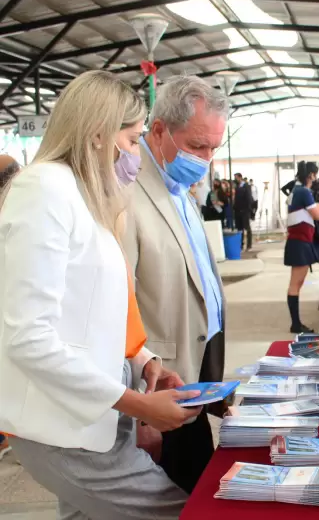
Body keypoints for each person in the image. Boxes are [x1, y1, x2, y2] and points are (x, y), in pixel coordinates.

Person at [0, 70, 200, 519]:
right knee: (180, 512)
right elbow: (29, 337)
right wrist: (137, 404)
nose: (136, 154)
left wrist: (142, 360)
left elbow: (93, 309)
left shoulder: (82, 195)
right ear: (97, 134)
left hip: (95, 414)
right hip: (63, 425)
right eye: (132, 140)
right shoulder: (43, 190)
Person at [123, 75, 228, 494]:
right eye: (198, 146)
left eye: (214, 148)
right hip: (157, 385)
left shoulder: (180, 187)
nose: (206, 159)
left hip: (195, 373)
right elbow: (119, 305)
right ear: (159, 130)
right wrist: (139, 410)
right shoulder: (128, 192)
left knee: (198, 483)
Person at [284, 161, 319, 333]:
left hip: (308, 241)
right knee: (296, 283)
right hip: (300, 242)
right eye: (315, 175)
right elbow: (316, 215)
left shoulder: (297, 190)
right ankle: (295, 324)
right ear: (311, 175)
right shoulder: (303, 192)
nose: (316, 179)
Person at [233, 172, 253, 250]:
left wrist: (248, 209)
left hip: (245, 210)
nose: (235, 179)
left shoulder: (246, 186)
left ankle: (249, 244)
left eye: (236, 178)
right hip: (238, 210)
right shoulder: (237, 186)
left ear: (240, 177)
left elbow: (249, 198)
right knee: (239, 228)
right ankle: (241, 244)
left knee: (247, 227)